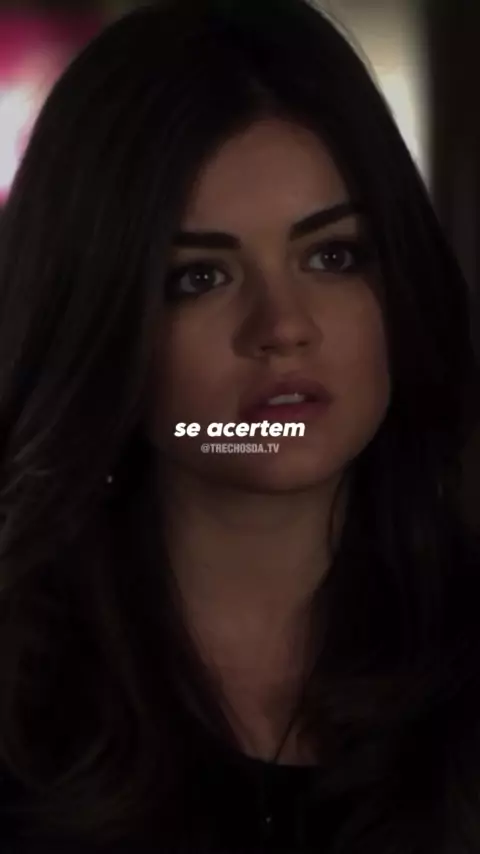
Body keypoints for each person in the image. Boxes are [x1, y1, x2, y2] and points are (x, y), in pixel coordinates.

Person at [0, 0, 479, 850]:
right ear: (98, 319)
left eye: (331, 256)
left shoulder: (459, 652)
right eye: (200, 278)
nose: (282, 327)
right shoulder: (23, 687)